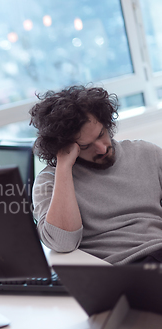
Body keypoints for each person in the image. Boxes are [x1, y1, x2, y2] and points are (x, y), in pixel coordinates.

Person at [30, 85, 162, 265]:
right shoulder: (50, 181)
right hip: (120, 271)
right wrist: (64, 166)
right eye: (85, 146)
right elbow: (62, 242)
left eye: (101, 134)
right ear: (64, 147)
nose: (101, 148)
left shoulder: (146, 153)